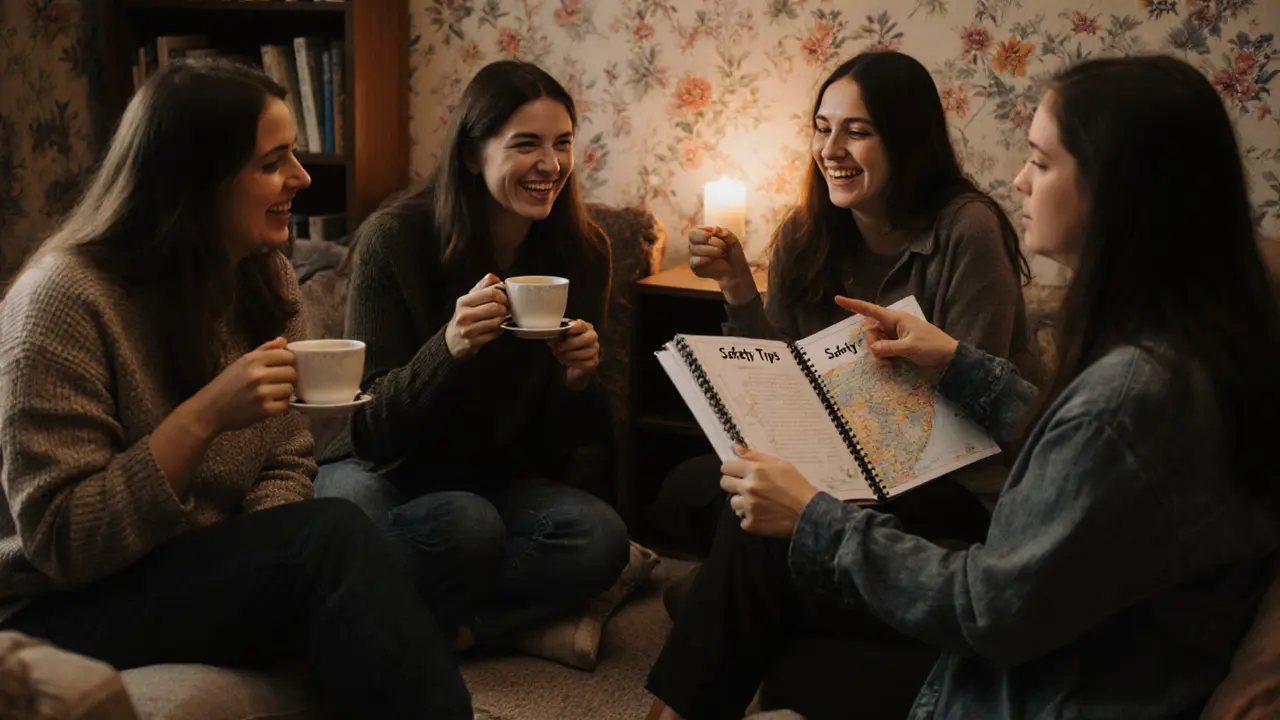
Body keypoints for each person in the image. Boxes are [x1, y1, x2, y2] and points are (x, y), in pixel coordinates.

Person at [646, 54, 1280, 720]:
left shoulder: (1131, 390)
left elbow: (990, 606)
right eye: (822, 128)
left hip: (1036, 684)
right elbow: (1068, 447)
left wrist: (814, 518)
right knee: (731, 550)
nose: (1018, 180)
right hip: (1054, 643)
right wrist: (957, 362)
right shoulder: (1183, 342)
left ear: (1116, 188)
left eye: (1039, 161)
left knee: (762, 603)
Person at [0, 60, 473, 719]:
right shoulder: (61, 302)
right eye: (273, 161)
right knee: (338, 542)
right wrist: (201, 419)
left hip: (198, 566)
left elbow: (286, 457)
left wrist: (269, 565)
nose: (301, 179)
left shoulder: (264, 279)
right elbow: (62, 541)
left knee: (374, 546)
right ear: (194, 181)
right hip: (64, 604)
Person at [654, 50, 1034, 612]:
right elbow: (778, 381)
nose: (831, 151)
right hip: (827, 463)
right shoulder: (805, 232)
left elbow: (985, 402)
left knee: (751, 535)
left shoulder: (967, 229)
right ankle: (762, 598)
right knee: (684, 489)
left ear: (905, 141)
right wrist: (738, 287)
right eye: (822, 129)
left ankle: (736, 604)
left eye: (856, 132)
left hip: (940, 482)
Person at [315, 60, 630, 649]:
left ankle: (453, 630)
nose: (551, 164)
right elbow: (368, 428)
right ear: (470, 155)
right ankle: (430, 619)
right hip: (380, 469)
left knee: (600, 537)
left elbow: (572, 452)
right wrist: (448, 348)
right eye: (526, 145)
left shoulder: (583, 252)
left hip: (493, 477)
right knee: (454, 523)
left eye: (562, 143)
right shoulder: (397, 239)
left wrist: (578, 381)